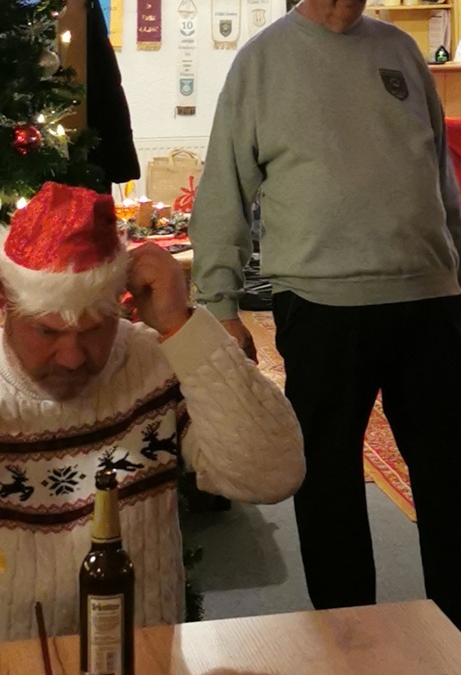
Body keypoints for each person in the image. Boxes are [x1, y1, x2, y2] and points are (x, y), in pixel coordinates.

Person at [190, 0, 461, 675]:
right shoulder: (262, 63)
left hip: (424, 300)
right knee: (328, 480)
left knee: (447, 473)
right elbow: (224, 186)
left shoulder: (398, 51)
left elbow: (436, 174)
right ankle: (349, 640)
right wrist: (220, 304)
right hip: (320, 304)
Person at [0, 181, 305, 642]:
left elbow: (271, 475)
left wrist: (181, 325)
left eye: (94, 330)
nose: (73, 358)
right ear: (8, 309)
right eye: (47, 333)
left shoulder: (156, 364)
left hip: (147, 650)